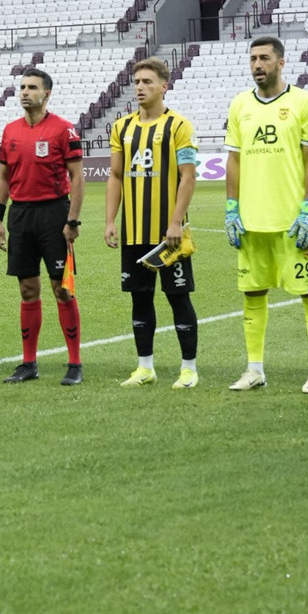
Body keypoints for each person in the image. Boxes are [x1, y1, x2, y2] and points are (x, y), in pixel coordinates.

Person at [224, 36, 308, 394]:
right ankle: (254, 369)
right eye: (253, 58)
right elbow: (233, 160)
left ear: (281, 62)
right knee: (252, 293)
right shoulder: (240, 105)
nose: (257, 65)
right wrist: (231, 209)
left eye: (264, 58)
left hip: (291, 221)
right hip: (251, 222)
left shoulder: (304, 102)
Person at [105, 58, 199, 389]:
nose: (140, 87)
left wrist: (176, 221)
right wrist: (110, 221)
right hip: (133, 232)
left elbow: (188, 177)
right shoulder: (121, 128)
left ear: (164, 86)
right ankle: (145, 367)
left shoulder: (179, 126)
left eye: (147, 81)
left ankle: (189, 368)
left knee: (178, 296)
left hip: (169, 234)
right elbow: (116, 175)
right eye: (137, 81)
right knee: (139, 298)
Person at [0, 68, 85, 385]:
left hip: (54, 214)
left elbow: (77, 178)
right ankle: (29, 363)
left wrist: (72, 220)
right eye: (21, 87)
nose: (24, 92)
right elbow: (3, 176)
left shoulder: (63, 130)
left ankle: (74, 363)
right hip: (20, 216)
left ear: (46, 93)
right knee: (27, 289)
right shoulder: (10, 131)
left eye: (31, 87)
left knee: (62, 289)